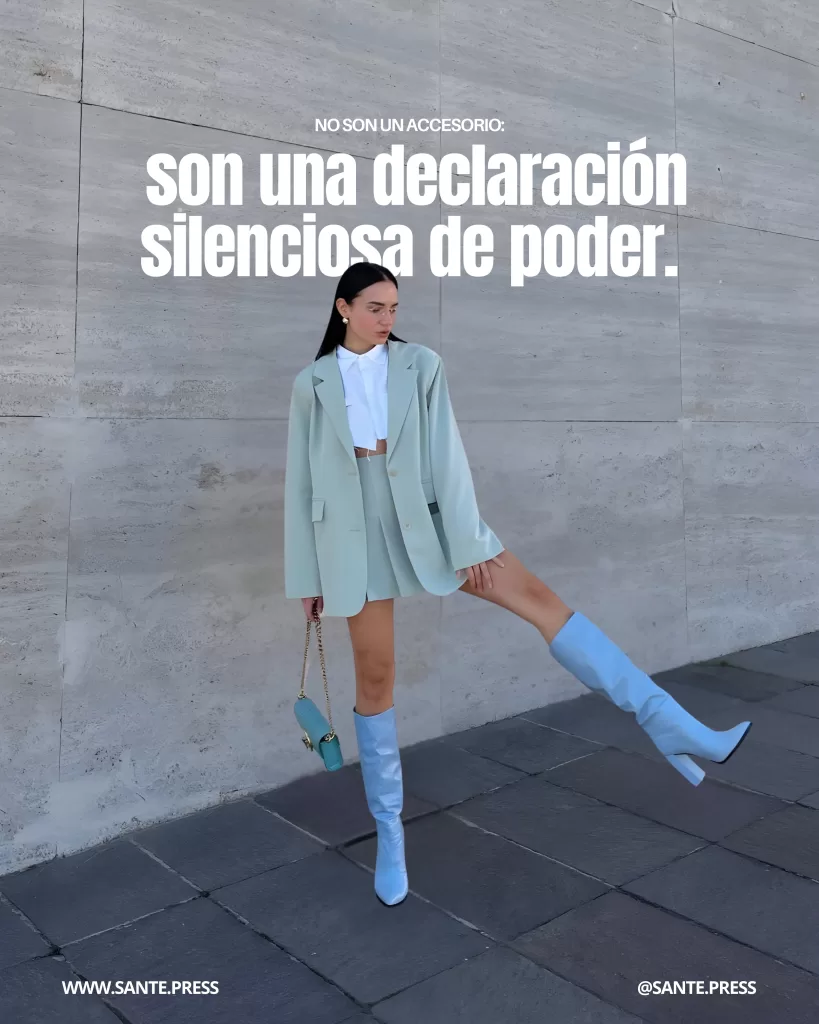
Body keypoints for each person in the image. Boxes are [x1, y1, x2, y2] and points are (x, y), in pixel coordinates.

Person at [284, 261, 752, 908]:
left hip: (428, 520)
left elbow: (446, 454)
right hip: (347, 538)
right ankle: (389, 836)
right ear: (343, 308)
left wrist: (470, 539)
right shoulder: (311, 383)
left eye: (394, 307)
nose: (389, 319)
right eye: (375, 308)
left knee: (540, 603)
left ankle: (670, 722)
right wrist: (305, 575)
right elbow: (301, 485)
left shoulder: (420, 364)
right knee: (374, 679)